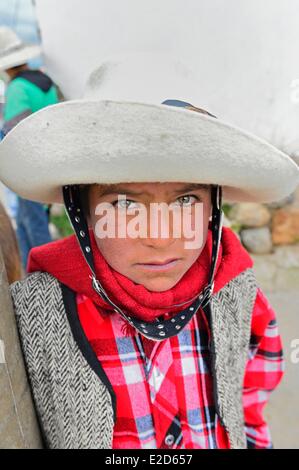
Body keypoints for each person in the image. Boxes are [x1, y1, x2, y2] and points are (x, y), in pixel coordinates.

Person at [0, 55, 298, 449]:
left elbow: (252, 397)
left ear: (214, 206)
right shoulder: (34, 309)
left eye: (186, 199)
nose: (159, 237)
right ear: (82, 210)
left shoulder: (237, 293)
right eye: (124, 204)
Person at [0, 26, 58, 269]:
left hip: (28, 166)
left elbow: (14, 135)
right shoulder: (46, 83)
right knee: (33, 220)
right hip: (50, 162)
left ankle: (43, 280)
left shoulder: (17, 89)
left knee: (31, 227)